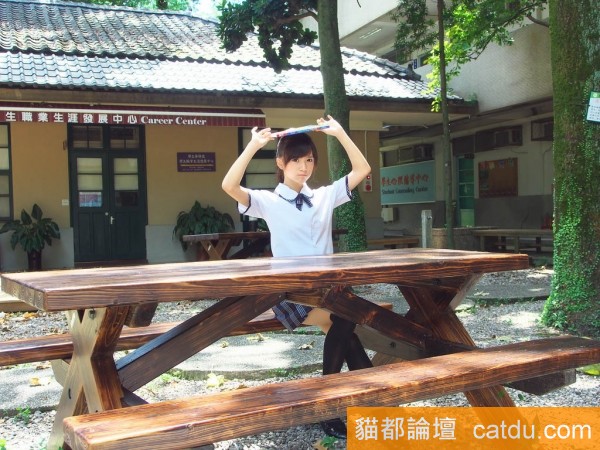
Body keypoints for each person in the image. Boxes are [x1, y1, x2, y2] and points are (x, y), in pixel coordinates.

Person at [222, 115, 373, 439]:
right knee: (346, 319)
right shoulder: (269, 201)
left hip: (327, 291)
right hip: (291, 293)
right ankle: (331, 404)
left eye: (309, 160)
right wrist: (253, 145)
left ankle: (369, 405)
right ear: (281, 163)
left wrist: (340, 134)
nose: (304, 167)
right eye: (296, 160)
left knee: (346, 331)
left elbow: (362, 169)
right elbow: (229, 186)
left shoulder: (324, 196)